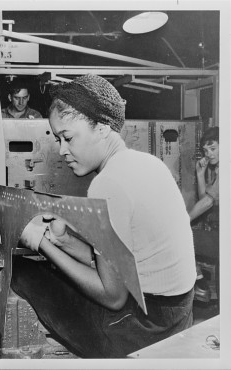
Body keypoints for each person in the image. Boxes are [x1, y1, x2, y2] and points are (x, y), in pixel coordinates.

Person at [11, 74, 196, 358]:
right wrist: (63, 242)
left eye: (68, 137)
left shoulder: (108, 183)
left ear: (102, 127)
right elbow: (124, 262)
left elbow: (113, 296)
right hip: (176, 317)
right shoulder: (148, 162)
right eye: (58, 139)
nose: (62, 151)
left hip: (142, 329)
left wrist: (41, 243)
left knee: (22, 272)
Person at [188, 126, 219, 302]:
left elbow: (207, 203)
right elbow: (204, 199)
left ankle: (200, 284)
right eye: (206, 151)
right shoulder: (215, 170)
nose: (209, 154)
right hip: (219, 234)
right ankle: (201, 284)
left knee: (181, 235)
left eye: (213, 148)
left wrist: (182, 220)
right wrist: (200, 175)